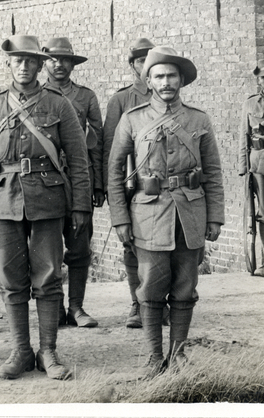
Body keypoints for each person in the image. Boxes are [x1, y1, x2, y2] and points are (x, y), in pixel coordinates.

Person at [0, 35, 92, 381]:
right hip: (4, 200)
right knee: (11, 278)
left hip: (49, 200)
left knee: (49, 277)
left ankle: (48, 351)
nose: (24, 67)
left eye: (30, 61)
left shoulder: (58, 104)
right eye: (17, 61)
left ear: (40, 65)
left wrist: (81, 207)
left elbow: (79, 160)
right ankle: (21, 351)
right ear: (8, 64)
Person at [107, 46, 224, 377]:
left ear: (182, 79)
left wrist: (214, 216)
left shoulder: (199, 119)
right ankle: (153, 357)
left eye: (172, 75)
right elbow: (115, 172)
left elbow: (213, 172)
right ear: (148, 80)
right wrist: (120, 218)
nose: (166, 81)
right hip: (148, 216)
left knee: (185, 287)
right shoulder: (132, 119)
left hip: (190, 215)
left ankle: (179, 355)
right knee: (151, 287)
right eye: (159, 76)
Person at [42, 37, 103, 328]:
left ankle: (76, 307)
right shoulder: (37, 95)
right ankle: (52, 306)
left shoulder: (86, 97)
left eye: (65, 60)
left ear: (72, 64)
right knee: (48, 247)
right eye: (53, 59)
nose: (59, 65)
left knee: (79, 246)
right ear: (45, 63)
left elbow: (97, 145)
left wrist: (98, 184)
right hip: (47, 181)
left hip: (79, 179)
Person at [102, 38, 155, 328]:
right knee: (131, 245)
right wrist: (113, 190)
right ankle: (137, 304)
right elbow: (111, 151)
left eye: (151, 61)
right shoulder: (120, 101)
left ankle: (163, 302)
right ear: (132, 65)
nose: (145, 66)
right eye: (139, 61)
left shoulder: (170, 94)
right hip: (131, 183)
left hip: (163, 185)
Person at [238, 57, 264, 277]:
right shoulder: (250, 104)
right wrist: (244, 169)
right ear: (258, 80)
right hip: (261, 163)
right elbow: (244, 137)